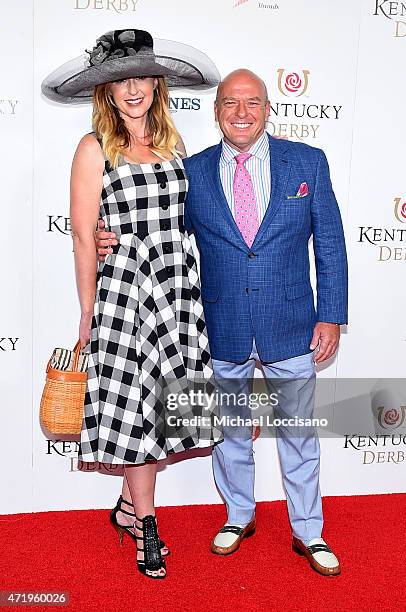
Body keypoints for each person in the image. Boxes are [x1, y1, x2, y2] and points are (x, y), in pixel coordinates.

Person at [96, 67, 348, 576]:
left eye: (251, 102)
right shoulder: (195, 170)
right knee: (231, 430)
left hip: (292, 323)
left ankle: (309, 530)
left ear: (268, 108)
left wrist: (333, 317)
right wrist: (107, 234)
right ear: (216, 112)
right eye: (230, 103)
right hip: (221, 323)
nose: (241, 112)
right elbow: (158, 223)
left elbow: (331, 244)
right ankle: (238, 516)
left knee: (298, 433)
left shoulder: (308, 162)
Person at [41, 28, 221, 580]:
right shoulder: (93, 148)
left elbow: (188, 219)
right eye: (121, 79)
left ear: (157, 84)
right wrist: (88, 309)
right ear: (107, 90)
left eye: (142, 76)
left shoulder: (176, 145)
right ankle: (146, 523)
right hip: (124, 295)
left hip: (174, 289)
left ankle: (124, 503)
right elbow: (81, 236)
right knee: (138, 412)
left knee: (166, 412)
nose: (134, 88)